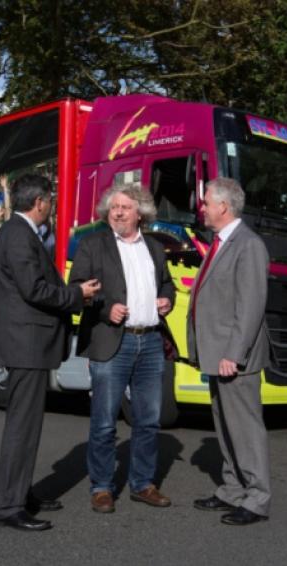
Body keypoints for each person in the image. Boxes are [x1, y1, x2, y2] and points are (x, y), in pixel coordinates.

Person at [0, 174, 100, 532]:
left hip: (28, 345)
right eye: (50, 201)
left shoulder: (17, 233)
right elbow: (34, 289)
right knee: (22, 428)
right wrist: (76, 295)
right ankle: (9, 506)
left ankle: (21, 494)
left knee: (27, 426)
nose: (51, 207)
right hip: (27, 345)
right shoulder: (19, 235)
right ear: (39, 202)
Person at [69, 183, 175, 514]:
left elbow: (167, 283)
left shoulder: (155, 248)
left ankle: (142, 483)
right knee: (104, 422)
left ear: (140, 212)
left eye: (124, 207)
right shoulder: (93, 244)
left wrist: (167, 300)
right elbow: (76, 288)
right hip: (112, 340)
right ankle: (101, 487)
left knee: (148, 420)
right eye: (113, 207)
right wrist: (104, 309)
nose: (116, 212)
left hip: (151, 342)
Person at [188, 177, 271, 526]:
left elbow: (250, 306)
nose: (202, 208)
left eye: (206, 202)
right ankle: (232, 490)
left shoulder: (247, 245)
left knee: (245, 429)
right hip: (218, 356)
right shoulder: (222, 242)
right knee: (226, 427)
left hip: (233, 358)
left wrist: (233, 354)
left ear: (224, 206)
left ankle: (256, 499)